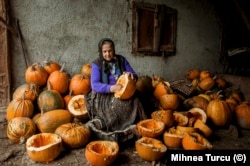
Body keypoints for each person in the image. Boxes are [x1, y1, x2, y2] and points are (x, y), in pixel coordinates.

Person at [85, 38, 147, 133]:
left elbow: (134, 75)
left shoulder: (121, 60)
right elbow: (95, 85)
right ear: (101, 52)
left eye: (110, 51)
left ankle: (139, 125)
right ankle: (122, 127)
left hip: (123, 90)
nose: (108, 54)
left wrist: (132, 76)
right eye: (104, 51)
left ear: (114, 50)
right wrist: (111, 88)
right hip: (104, 95)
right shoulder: (96, 64)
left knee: (136, 100)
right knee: (119, 105)